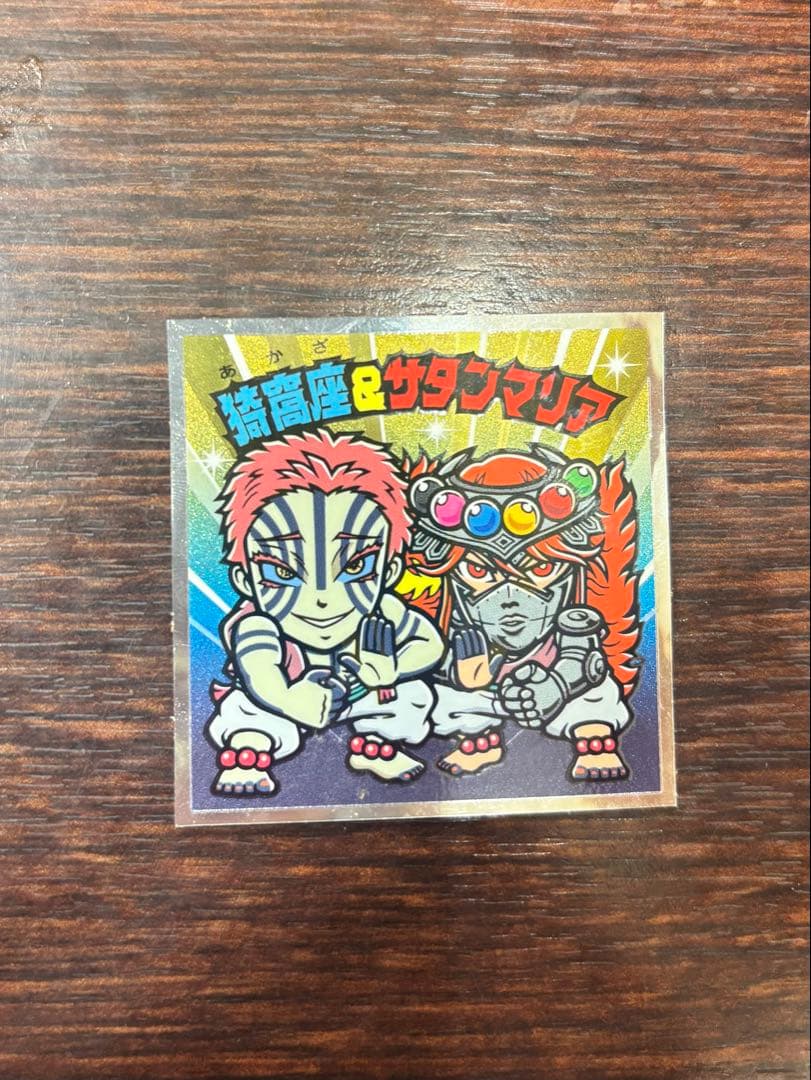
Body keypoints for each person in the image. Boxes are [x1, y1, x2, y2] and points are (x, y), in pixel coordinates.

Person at [206, 429, 444, 796]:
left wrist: (393, 669)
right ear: (245, 579)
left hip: (355, 699)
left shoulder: (383, 609)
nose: (323, 597)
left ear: (390, 571)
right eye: (282, 572)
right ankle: (247, 756)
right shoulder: (257, 624)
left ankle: (375, 747)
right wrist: (289, 699)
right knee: (248, 714)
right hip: (284, 704)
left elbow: (430, 643)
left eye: (355, 566)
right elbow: (262, 672)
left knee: (412, 696)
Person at [402, 443, 640, 782]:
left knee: (595, 694)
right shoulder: (459, 621)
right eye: (480, 571)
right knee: (450, 699)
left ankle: (595, 741)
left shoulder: (572, 617)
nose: (510, 598)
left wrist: (555, 686)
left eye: (540, 568)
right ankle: (479, 742)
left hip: (560, 682)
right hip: (490, 688)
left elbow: (585, 661)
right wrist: (460, 673)